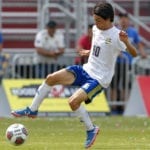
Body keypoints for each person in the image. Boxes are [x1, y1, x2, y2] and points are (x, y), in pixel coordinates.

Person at [11, 2, 137, 149]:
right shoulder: (96, 29)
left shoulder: (117, 36)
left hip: (99, 78)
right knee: (51, 78)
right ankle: (32, 109)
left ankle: (91, 129)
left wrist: (126, 42)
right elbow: (101, 47)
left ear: (109, 19)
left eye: (99, 20)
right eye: (95, 20)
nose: (96, 23)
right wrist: (89, 52)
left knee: (73, 102)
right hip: (86, 69)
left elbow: (133, 53)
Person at [110, 13, 147, 114]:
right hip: (116, 63)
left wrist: (143, 53)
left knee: (127, 85)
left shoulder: (133, 32)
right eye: (121, 19)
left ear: (128, 20)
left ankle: (124, 107)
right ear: (119, 20)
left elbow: (139, 44)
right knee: (114, 85)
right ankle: (113, 107)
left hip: (129, 63)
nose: (123, 21)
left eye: (125, 19)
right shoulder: (115, 31)